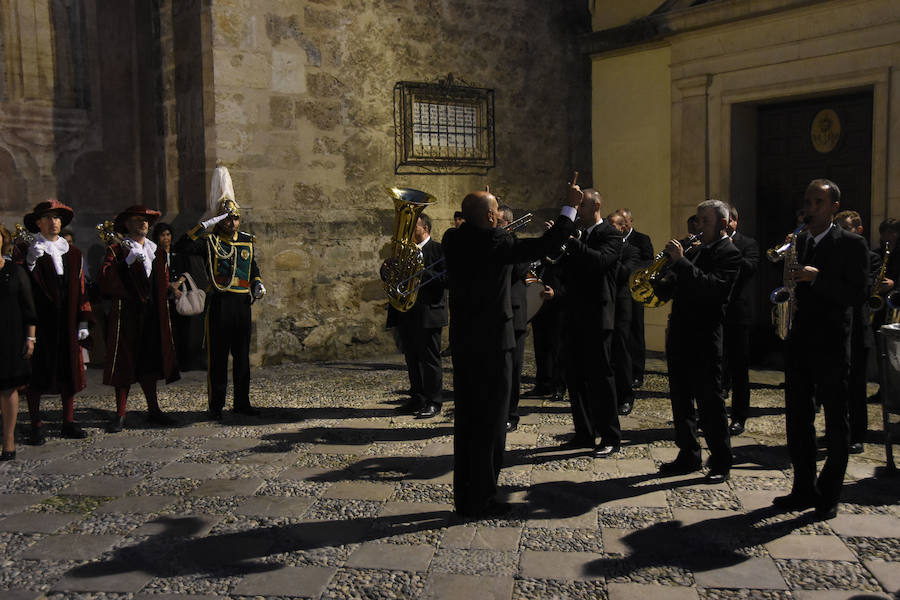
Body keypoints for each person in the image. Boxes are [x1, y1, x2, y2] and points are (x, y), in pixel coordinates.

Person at [442, 182, 579, 518]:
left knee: (468, 423)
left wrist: (487, 212)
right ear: (491, 216)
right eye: (496, 209)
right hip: (495, 344)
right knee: (492, 422)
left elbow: (479, 231)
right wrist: (570, 208)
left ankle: (466, 497)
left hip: (464, 343)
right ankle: (483, 497)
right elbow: (546, 244)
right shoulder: (499, 240)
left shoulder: (452, 238)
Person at [773, 179, 869, 520]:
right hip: (800, 341)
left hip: (831, 344)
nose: (809, 208)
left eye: (817, 202)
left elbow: (858, 294)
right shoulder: (798, 241)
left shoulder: (853, 244)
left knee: (835, 422)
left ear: (834, 208)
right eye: (807, 201)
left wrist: (818, 278)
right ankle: (803, 488)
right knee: (798, 418)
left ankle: (828, 495)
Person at [653, 199, 741, 484]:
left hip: (705, 335)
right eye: (697, 221)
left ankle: (721, 459)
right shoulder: (695, 250)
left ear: (723, 224)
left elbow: (712, 288)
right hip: (680, 332)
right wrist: (656, 281)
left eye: (705, 221)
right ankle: (688, 453)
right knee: (680, 399)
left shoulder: (730, 254)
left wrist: (681, 262)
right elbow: (678, 288)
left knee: (709, 401)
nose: (697, 226)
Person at [175, 166, 265, 419]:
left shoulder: (246, 240)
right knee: (217, 358)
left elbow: (252, 265)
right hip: (219, 304)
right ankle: (216, 405)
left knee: (242, 358)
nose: (232, 222)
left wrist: (257, 281)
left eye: (235, 217)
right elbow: (182, 246)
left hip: (241, 304)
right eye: (226, 218)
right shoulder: (209, 242)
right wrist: (206, 224)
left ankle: (242, 402)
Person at [99, 206, 180, 432]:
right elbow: (105, 279)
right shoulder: (117, 250)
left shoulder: (156, 250)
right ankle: (120, 414)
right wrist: (126, 264)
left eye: (145, 220)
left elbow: (160, 282)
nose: (143, 224)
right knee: (125, 363)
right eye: (137, 220)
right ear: (127, 224)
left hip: (152, 313)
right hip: (127, 314)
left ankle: (154, 409)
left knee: (150, 363)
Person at [19, 200, 93, 444]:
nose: (54, 222)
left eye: (57, 218)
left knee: (68, 370)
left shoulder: (73, 253)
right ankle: (36, 424)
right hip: (41, 321)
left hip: (68, 319)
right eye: (48, 218)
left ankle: (68, 421)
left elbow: (81, 289)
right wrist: (29, 263)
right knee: (38, 373)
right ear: (38, 222)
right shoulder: (29, 251)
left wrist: (83, 320)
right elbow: (22, 287)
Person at [559, 190, 623, 457]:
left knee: (600, 379)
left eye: (581, 206)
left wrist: (573, 243)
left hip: (598, 314)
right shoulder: (579, 233)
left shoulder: (610, 233)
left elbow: (600, 261)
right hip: (573, 312)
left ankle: (610, 436)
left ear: (596, 205)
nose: (578, 210)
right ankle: (583, 432)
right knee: (575, 377)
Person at [386, 213, 447, 419]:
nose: (410, 231)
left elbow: (447, 279)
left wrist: (421, 272)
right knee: (411, 358)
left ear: (426, 229)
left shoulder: (438, 250)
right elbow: (394, 279)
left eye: (414, 227)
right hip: (407, 312)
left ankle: (434, 401)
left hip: (429, 313)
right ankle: (417, 397)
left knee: (430, 359)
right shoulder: (403, 252)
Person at [833, 210, 879, 454]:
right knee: (837, 385)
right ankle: (839, 432)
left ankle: (858, 434)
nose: (842, 233)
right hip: (838, 328)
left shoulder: (870, 256)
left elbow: (865, 286)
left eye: (847, 228)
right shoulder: (831, 255)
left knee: (857, 386)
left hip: (859, 328)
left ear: (858, 231)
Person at [0, 224, 37, 460]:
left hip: (9, 336)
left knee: (7, 388)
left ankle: (9, 440)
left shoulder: (15, 271)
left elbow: (28, 307)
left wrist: (30, 337)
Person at [723, 205, 760, 436]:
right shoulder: (708, 243)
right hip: (714, 312)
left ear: (734, 221)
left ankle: (738, 416)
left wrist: (727, 246)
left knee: (738, 369)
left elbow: (749, 268)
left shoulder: (748, 244)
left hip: (737, 313)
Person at [497, 204, 530, 432]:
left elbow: (517, 271)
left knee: (512, 370)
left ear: (507, 224)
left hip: (515, 316)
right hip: (493, 315)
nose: (494, 227)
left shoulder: (518, 246)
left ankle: (511, 414)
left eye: (498, 223)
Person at [616, 208, 653, 389]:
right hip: (618, 292)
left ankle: (637, 373)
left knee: (636, 332)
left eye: (624, 221)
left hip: (635, 290)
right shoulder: (613, 239)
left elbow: (648, 263)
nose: (622, 225)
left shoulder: (641, 240)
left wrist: (629, 270)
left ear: (631, 221)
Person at [609, 212, 640, 416]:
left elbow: (623, 274)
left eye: (612, 225)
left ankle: (626, 397)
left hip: (621, 305)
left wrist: (607, 257)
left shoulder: (631, 250)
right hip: (604, 304)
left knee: (621, 351)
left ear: (622, 228)